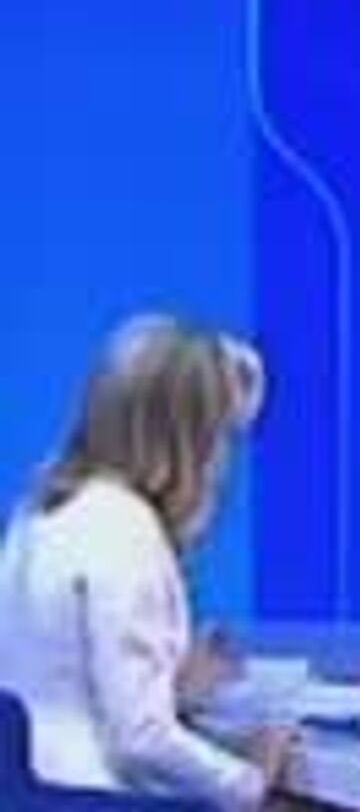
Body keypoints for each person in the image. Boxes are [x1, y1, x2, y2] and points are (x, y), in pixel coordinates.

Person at [0, 315, 296, 809]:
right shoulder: (126, 532)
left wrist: (170, 682)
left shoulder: (40, 512)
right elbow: (139, 739)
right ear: (185, 438)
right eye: (218, 437)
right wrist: (248, 779)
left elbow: (59, 683)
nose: (221, 462)